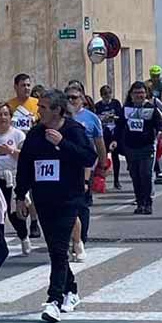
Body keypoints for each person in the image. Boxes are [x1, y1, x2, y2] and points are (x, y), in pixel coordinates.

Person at [14, 90, 96, 323]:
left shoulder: (73, 130)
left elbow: (88, 158)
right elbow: (26, 166)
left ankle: (54, 300)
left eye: (44, 107)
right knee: (55, 251)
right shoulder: (36, 134)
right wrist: (20, 195)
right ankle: (72, 290)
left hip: (69, 199)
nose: (39, 110)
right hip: (43, 199)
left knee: (60, 250)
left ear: (58, 110)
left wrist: (63, 144)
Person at [65, 82, 107, 262]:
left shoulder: (91, 118)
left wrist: (103, 165)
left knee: (81, 206)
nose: (70, 101)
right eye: (67, 97)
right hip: (65, 168)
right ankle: (70, 240)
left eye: (74, 97)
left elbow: (99, 143)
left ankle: (81, 238)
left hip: (86, 167)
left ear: (82, 99)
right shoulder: (60, 118)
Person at [0, 102, 29, 254]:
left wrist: (11, 151)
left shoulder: (18, 134)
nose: (3, 117)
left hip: (13, 178)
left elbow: (26, 157)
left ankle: (23, 236)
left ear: (10, 117)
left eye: (5, 114)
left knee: (13, 212)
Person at [119, 81, 162, 215]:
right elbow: (120, 126)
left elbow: (159, 123)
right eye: (136, 93)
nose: (139, 95)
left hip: (147, 147)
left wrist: (161, 130)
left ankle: (148, 203)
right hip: (131, 148)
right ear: (131, 95)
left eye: (141, 92)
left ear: (146, 94)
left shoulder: (151, 108)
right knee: (136, 176)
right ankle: (140, 203)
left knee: (146, 174)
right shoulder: (126, 109)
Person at [6, 73, 41, 237]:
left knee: (33, 189)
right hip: (15, 150)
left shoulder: (36, 104)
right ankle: (21, 221)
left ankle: (34, 222)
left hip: (33, 148)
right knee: (19, 188)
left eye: (28, 85)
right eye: (23, 85)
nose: (26, 88)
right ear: (16, 87)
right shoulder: (10, 105)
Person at [94, 85, 124, 189]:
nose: (107, 96)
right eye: (105, 94)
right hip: (104, 133)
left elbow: (120, 117)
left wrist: (113, 117)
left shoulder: (115, 103)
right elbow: (96, 119)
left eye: (109, 93)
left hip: (114, 132)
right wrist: (103, 119)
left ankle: (116, 180)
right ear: (101, 95)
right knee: (103, 157)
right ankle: (101, 180)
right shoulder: (98, 106)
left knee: (115, 157)